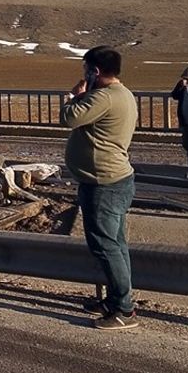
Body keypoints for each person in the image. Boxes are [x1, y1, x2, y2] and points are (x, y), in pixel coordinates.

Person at [60, 45, 139, 331]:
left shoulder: (104, 97)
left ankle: (124, 310)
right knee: (115, 245)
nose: (83, 74)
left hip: (103, 182)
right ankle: (118, 298)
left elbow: (68, 118)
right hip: (113, 180)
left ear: (94, 71)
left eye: (85, 69)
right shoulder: (122, 94)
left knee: (107, 247)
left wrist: (75, 97)